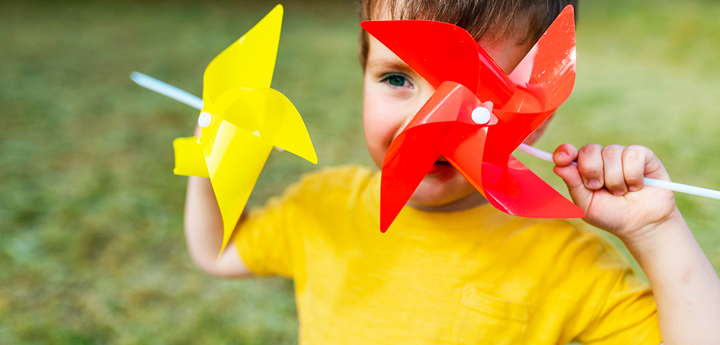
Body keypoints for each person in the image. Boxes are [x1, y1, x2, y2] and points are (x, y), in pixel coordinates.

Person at [183, 0, 720, 343]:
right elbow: (217, 253)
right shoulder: (320, 208)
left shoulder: (563, 261)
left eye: (479, 92)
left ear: (532, 117)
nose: (427, 117)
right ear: (362, 75)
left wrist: (656, 232)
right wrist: (213, 160)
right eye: (397, 78)